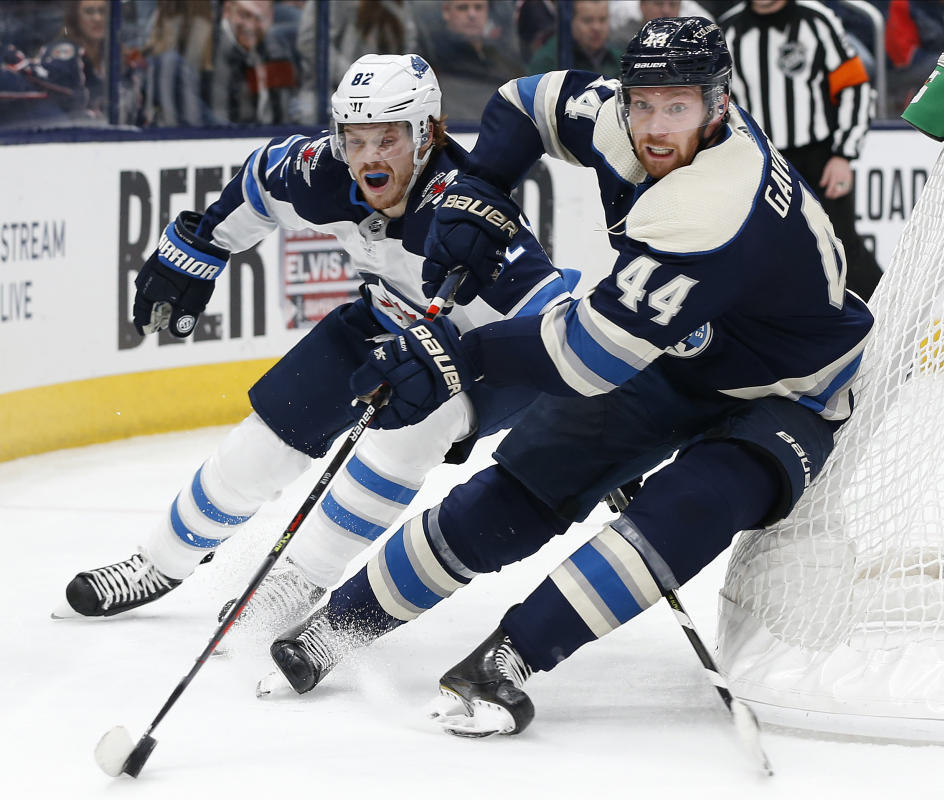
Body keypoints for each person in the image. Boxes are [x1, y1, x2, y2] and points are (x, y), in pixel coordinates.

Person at [256, 17, 873, 741]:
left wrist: (461, 354)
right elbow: (523, 102)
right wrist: (481, 187)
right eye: (643, 103)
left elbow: (589, 358)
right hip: (676, 354)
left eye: (678, 106)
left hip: (790, 389)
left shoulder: (715, 201)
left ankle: (511, 657)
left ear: (720, 105)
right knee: (519, 489)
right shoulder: (615, 118)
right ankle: (335, 628)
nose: (654, 125)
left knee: (694, 503)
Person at [56, 54, 575, 637]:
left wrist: (589, 400)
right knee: (267, 437)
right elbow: (260, 179)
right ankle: (158, 561)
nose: (369, 158)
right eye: (354, 139)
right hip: (386, 319)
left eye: (389, 138)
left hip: (482, 358)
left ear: (428, 133)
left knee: (409, 436)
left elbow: (555, 325)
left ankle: (298, 580)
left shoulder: (471, 212)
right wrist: (207, 245)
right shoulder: (322, 171)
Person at [719, 0, 883, 301]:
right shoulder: (728, 30)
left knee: (842, 249)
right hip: (761, 163)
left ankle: (885, 321)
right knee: (765, 255)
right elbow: (723, 108)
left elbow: (854, 86)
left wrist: (844, 155)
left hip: (819, 160)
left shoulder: (816, 20)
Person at [417, 0, 525, 120]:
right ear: (446, 12)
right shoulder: (432, 58)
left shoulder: (501, 57)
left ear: (487, 12)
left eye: (478, 8)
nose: (472, 14)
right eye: (463, 8)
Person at [209, 0, 298, 124]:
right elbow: (218, 121)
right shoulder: (208, 53)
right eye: (243, 15)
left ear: (271, 16)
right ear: (227, 10)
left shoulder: (277, 49)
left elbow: (284, 112)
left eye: (260, 18)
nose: (251, 26)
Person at [44, 0, 107, 117]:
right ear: (75, 17)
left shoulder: (110, 50)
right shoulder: (66, 50)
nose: (97, 18)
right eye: (89, 11)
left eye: (102, 11)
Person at [527, 0, 621, 76]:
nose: (596, 27)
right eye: (587, 20)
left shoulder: (618, 59)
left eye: (602, 20)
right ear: (570, 21)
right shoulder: (548, 61)